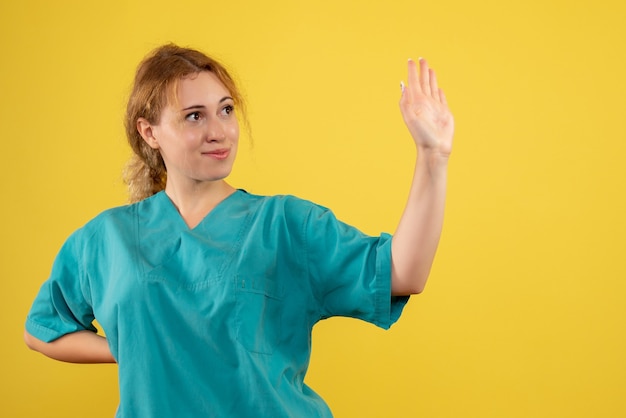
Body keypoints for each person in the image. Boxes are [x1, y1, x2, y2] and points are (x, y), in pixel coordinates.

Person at [24, 44, 454, 417]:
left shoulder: (286, 225)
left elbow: (402, 273)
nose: (218, 132)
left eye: (226, 110)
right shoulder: (106, 239)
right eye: (194, 116)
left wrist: (432, 156)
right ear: (149, 132)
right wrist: (132, 347)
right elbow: (43, 329)